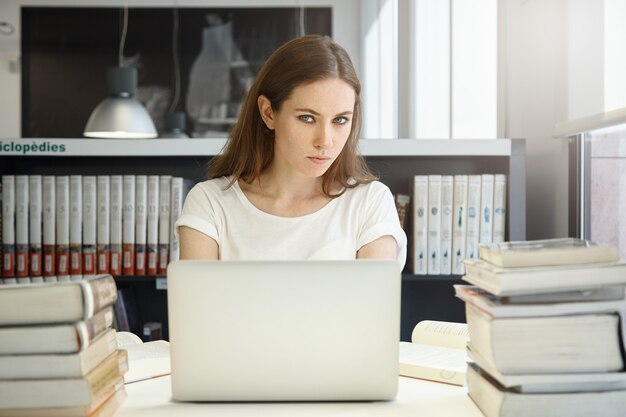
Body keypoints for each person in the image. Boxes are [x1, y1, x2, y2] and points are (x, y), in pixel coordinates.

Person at [176, 34, 407, 268]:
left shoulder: (369, 202)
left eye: (340, 120)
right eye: (307, 118)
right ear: (268, 113)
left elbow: (376, 303)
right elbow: (197, 304)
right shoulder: (210, 203)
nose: (325, 141)